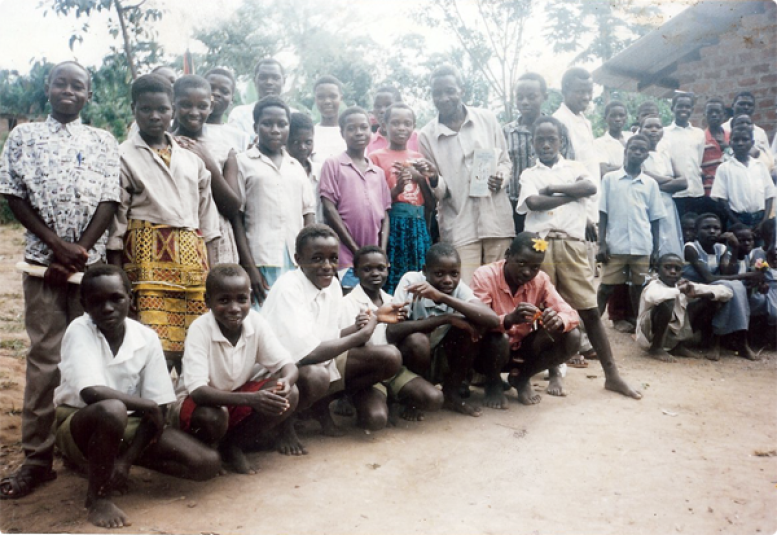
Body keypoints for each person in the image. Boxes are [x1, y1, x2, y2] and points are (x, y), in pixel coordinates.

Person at [0, 61, 121, 500]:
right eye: (61, 83)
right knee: (46, 359)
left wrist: (80, 253)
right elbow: (14, 195)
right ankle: (36, 459)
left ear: (89, 94)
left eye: (78, 86)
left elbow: (109, 199)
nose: (69, 91)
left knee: (93, 357)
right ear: (47, 88)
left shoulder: (103, 141)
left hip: (90, 271)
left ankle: (84, 448)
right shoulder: (24, 136)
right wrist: (56, 246)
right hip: (42, 266)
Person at [52, 265, 219, 527]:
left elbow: (159, 406)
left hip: (125, 425)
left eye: (116, 298)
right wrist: (147, 405)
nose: (107, 308)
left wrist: (126, 461)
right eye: (97, 302)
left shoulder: (146, 337)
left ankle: (109, 465)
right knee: (112, 409)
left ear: (131, 299)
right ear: (84, 304)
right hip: (77, 421)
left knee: (206, 464)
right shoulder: (79, 330)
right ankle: (98, 498)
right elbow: (91, 392)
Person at [517, 116, 642, 400]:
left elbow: (589, 188)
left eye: (552, 139)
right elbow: (534, 203)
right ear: (533, 142)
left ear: (562, 141)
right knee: (540, 309)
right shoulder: (529, 174)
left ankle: (612, 375)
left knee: (589, 309)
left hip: (572, 244)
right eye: (540, 139)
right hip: (540, 245)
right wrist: (567, 195)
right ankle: (551, 372)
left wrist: (552, 190)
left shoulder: (576, 167)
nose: (546, 144)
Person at [107, 74, 220, 364]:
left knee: (194, 344)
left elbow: (208, 222)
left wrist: (212, 270)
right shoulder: (122, 156)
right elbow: (117, 224)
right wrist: (122, 281)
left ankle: (186, 406)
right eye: (146, 109)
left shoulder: (191, 159)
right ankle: (151, 406)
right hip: (145, 264)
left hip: (193, 263)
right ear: (134, 109)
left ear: (173, 109)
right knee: (151, 344)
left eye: (163, 109)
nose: (155, 116)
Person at [261, 225, 405, 441]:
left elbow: (329, 337)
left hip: (312, 362)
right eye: (317, 258)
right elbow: (307, 354)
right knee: (317, 375)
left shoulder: (332, 286)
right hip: (275, 374)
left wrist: (368, 321)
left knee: (390, 356)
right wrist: (363, 333)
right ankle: (285, 426)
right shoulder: (288, 288)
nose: (327, 266)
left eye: (333, 258)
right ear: (298, 259)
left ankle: (318, 409)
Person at [175, 265, 300, 470]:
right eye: (224, 300)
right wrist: (251, 399)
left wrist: (286, 381)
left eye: (242, 299)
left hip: (234, 397)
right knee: (214, 416)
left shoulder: (255, 322)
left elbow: (287, 364)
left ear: (250, 299)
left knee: (290, 393)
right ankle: (211, 447)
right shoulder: (200, 329)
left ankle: (233, 444)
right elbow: (198, 392)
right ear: (208, 301)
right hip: (200, 404)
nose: (234, 308)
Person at [418, 64, 514, 283]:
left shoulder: (487, 119)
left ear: (462, 90)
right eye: (437, 93)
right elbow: (440, 193)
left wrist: (500, 177)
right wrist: (433, 178)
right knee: (467, 289)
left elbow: (505, 162)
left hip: (496, 220)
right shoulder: (427, 135)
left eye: (449, 91)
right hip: (459, 224)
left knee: (500, 285)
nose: (443, 98)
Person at [386, 243, 501, 417]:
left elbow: (492, 319)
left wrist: (443, 297)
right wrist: (447, 318)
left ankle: (451, 393)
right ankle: (413, 398)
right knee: (418, 340)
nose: (448, 280)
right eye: (439, 274)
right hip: (410, 357)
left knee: (471, 328)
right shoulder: (411, 281)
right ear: (425, 270)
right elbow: (392, 331)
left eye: (454, 274)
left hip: (439, 356)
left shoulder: (457, 287)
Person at [470, 233, 581, 406]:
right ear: (508, 255)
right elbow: (478, 321)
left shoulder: (541, 280)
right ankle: (493, 382)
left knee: (572, 336)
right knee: (499, 338)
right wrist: (509, 319)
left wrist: (558, 320)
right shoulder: (485, 275)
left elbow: (570, 313)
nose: (528, 271)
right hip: (489, 352)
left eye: (535, 267)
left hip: (522, 350)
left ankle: (522, 377)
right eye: (521, 263)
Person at [231, 97, 316, 305]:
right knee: (262, 320)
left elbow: (309, 216)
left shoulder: (296, 166)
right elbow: (236, 218)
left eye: (282, 124)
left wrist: (310, 261)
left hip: (295, 262)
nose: (275, 130)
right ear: (255, 127)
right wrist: (248, 267)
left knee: (292, 321)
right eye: (267, 124)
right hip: (260, 258)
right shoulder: (242, 163)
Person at [342, 246, 443, 422]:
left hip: (394, 370)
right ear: (355, 272)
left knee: (434, 399)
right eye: (367, 269)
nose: (375, 274)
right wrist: (361, 325)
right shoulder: (348, 303)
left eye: (381, 268)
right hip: (368, 374)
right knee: (376, 419)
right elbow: (345, 345)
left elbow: (398, 337)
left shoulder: (391, 300)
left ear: (388, 268)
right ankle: (359, 396)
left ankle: (396, 396)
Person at [172, 75, 244, 265]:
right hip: (174, 236)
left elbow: (233, 206)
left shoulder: (224, 150)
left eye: (202, 106)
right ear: (174, 106)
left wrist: (208, 162)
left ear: (210, 107)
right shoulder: (163, 144)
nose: (194, 112)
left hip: (217, 237)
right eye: (186, 105)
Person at [597, 134, 666, 324]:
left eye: (642, 150)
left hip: (642, 245)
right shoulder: (610, 179)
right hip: (616, 245)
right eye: (633, 148)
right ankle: (590, 329)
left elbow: (655, 219)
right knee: (606, 288)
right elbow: (603, 213)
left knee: (640, 290)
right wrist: (601, 243)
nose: (637, 152)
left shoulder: (650, 184)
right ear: (625, 151)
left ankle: (641, 328)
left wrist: (655, 249)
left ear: (646, 155)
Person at [320, 107, 391, 289]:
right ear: (342, 133)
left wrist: (380, 252)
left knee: (372, 306)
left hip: (373, 259)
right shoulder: (334, 164)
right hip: (346, 256)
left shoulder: (378, 172)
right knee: (350, 303)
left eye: (363, 127)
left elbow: (385, 215)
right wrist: (356, 251)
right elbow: (329, 209)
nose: (358, 132)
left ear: (371, 130)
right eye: (351, 128)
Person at [369, 103, 434, 293]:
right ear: (384, 125)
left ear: (413, 127)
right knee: (394, 279)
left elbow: (430, 203)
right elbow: (376, 203)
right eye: (395, 123)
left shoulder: (418, 158)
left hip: (418, 225)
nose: (401, 128)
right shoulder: (375, 158)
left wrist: (420, 178)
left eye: (407, 123)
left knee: (420, 277)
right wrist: (397, 188)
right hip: (394, 225)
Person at [503, 73, 572, 234]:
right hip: (515, 207)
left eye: (531, 96)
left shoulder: (558, 130)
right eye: (519, 97)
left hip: (552, 205)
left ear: (544, 96)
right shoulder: (506, 132)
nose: (524, 102)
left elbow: (570, 168)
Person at [683, 213, 758, 360]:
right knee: (733, 285)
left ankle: (721, 342)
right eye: (707, 228)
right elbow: (709, 278)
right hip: (692, 293)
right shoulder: (691, 248)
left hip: (714, 290)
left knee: (731, 287)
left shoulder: (720, 248)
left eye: (716, 228)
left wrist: (735, 248)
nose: (712, 231)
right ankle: (737, 342)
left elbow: (728, 272)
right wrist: (745, 276)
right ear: (696, 232)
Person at [636, 253, 733, 362]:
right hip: (650, 335)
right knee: (666, 302)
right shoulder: (653, 285)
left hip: (673, 333)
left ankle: (677, 346)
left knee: (712, 301)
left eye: (677, 269)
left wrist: (699, 294)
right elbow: (655, 297)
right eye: (667, 267)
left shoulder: (682, 285)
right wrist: (679, 291)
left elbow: (727, 292)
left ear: (681, 273)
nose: (673, 271)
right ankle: (656, 348)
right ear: (657, 270)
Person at [552, 67, 601, 228]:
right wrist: (583, 216)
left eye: (589, 91)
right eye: (580, 92)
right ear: (564, 90)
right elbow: (564, 176)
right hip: (575, 215)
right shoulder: (559, 122)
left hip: (591, 208)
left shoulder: (584, 121)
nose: (586, 97)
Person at [710, 126, 775, 235]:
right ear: (730, 143)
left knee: (759, 250)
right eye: (736, 140)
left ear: (752, 142)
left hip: (759, 219)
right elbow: (722, 199)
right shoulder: (724, 168)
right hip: (736, 219)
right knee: (737, 249)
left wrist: (763, 221)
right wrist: (737, 223)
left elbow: (769, 195)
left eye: (745, 139)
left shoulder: (760, 166)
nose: (740, 143)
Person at [640, 115, 686, 258]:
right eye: (648, 127)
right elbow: (641, 177)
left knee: (669, 245)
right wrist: (669, 180)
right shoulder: (638, 153)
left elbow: (683, 182)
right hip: (646, 205)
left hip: (667, 206)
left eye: (658, 127)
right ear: (640, 130)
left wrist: (653, 181)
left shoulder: (666, 155)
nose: (654, 130)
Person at [658, 92, 708, 218]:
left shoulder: (699, 133)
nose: (683, 109)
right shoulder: (664, 133)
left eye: (687, 106)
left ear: (692, 109)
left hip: (696, 191)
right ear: (673, 108)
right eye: (680, 106)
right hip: (675, 193)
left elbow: (698, 160)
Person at [227, 58, 286, 138]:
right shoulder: (239, 115)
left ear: (284, 81)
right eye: (263, 77)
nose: (269, 82)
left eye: (275, 78)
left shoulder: (294, 116)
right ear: (255, 80)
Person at [722, 91, 774, 172]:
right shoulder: (722, 129)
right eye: (742, 104)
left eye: (750, 105)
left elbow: (768, 160)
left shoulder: (760, 133)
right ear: (733, 106)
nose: (746, 107)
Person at [287, 112, 323, 223]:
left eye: (308, 142)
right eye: (296, 142)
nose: (302, 147)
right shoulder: (282, 171)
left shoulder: (320, 170)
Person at [366, 86, 420, 154]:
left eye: (388, 105)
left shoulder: (417, 139)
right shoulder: (367, 143)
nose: (382, 110)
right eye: (377, 106)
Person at [312, 75, 347, 164]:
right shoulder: (310, 134)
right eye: (321, 97)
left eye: (333, 96)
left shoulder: (351, 132)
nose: (327, 101)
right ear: (315, 99)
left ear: (341, 98)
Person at [594, 100, 632, 178]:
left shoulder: (631, 137)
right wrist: (633, 168)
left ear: (626, 118)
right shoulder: (599, 143)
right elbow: (604, 171)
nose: (618, 119)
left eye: (621, 115)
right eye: (613, 116)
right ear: (605, 118)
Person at [700, 98, 729, 199]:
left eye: (717, 112)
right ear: (704, 115)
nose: (714, 115)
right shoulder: (700, 138)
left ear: (724, 115)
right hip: (709, 192)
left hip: (731, 191)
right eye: (710, 112)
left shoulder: (733, 137)